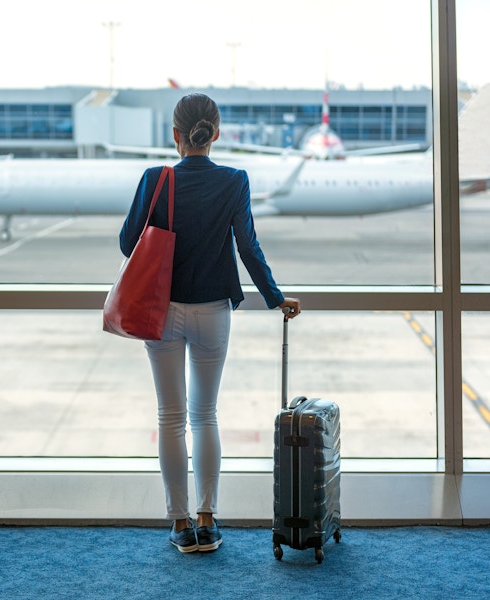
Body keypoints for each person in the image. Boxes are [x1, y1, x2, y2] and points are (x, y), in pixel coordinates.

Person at [119, 93, 301, 554]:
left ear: (175, 136)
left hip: (160, 312)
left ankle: (180, 524)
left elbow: (127, 245)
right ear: (215, 134)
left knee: (170, 417)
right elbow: (248, 249)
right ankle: (207, 519)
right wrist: (276, 298)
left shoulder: (154, 179)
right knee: (205, 415)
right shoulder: (234, 181)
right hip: (213, 312)